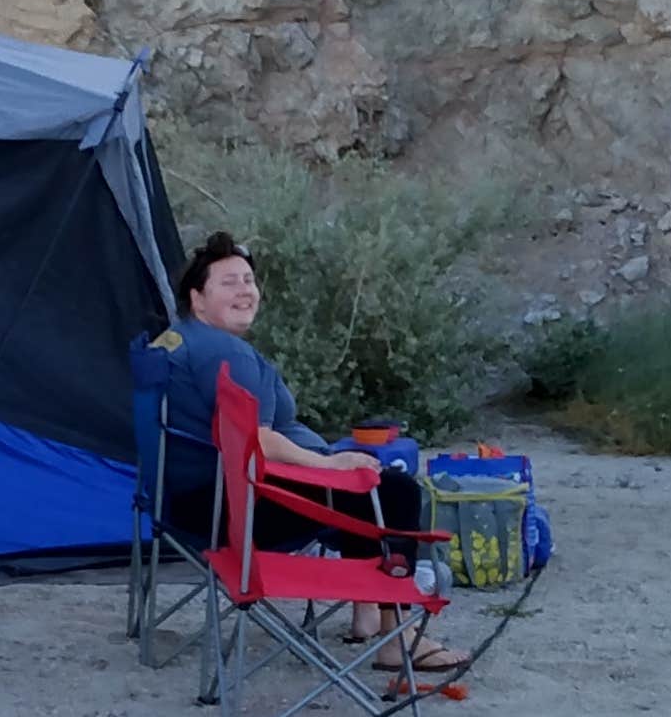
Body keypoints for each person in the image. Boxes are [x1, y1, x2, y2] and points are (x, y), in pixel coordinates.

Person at [160, 232, 458, 676]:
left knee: (360, 485)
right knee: (392, 490)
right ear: (197, 299)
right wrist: (327, 464)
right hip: (234, 512)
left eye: (248, 280)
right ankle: (398, 638)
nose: (245, 290)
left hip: (187, 500)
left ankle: (366, 613)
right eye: (228, 282)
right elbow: (256, 440)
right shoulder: (227, 355)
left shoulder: (175, 339)